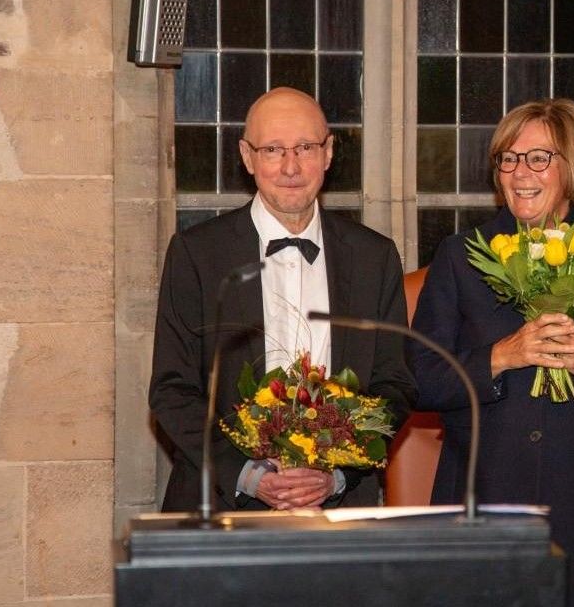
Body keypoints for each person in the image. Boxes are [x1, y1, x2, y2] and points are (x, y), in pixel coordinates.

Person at [407, 98, 574, 607]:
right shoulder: (461, 257)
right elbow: (418, 379)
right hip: (482, 491)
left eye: (538, 158)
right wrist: (502, 355)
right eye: (508, 158)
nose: (520, 172)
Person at [150, 87, 415, 513]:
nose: (291, 167)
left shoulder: (374, 256)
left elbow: (395, 385)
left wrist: (337, 474)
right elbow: (172, 390)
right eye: (273, 149)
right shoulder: (197, 254)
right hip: (222, 506)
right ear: (247, 156)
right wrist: (249, 475)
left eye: (306, 148)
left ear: (328, 153)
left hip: (340, 507)